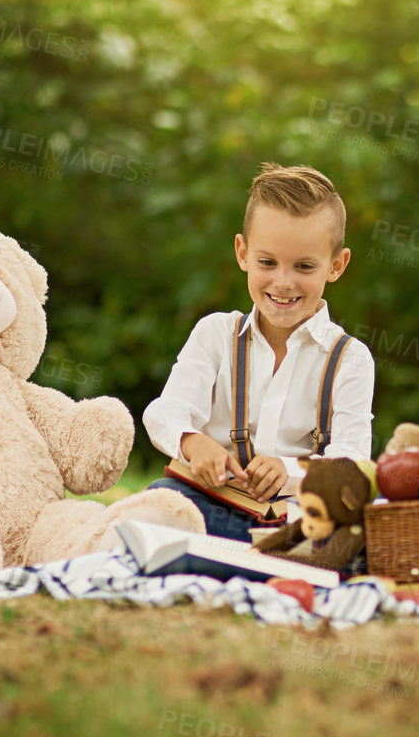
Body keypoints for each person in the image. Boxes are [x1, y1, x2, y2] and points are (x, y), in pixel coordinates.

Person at [142, 163, 375, 539]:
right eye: (267, 262)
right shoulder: (215, 333)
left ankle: (228, 559)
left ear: (336, 265)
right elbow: (165, 411)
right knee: (158, 502)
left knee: (360, 530)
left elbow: (353, 461)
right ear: (243, 253)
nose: (283, 283)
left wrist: (291, 469)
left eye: (304, 266)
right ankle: (255, 564)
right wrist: (192, 442)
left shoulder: (351, 358)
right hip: (213, 502)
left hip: (297, 517)